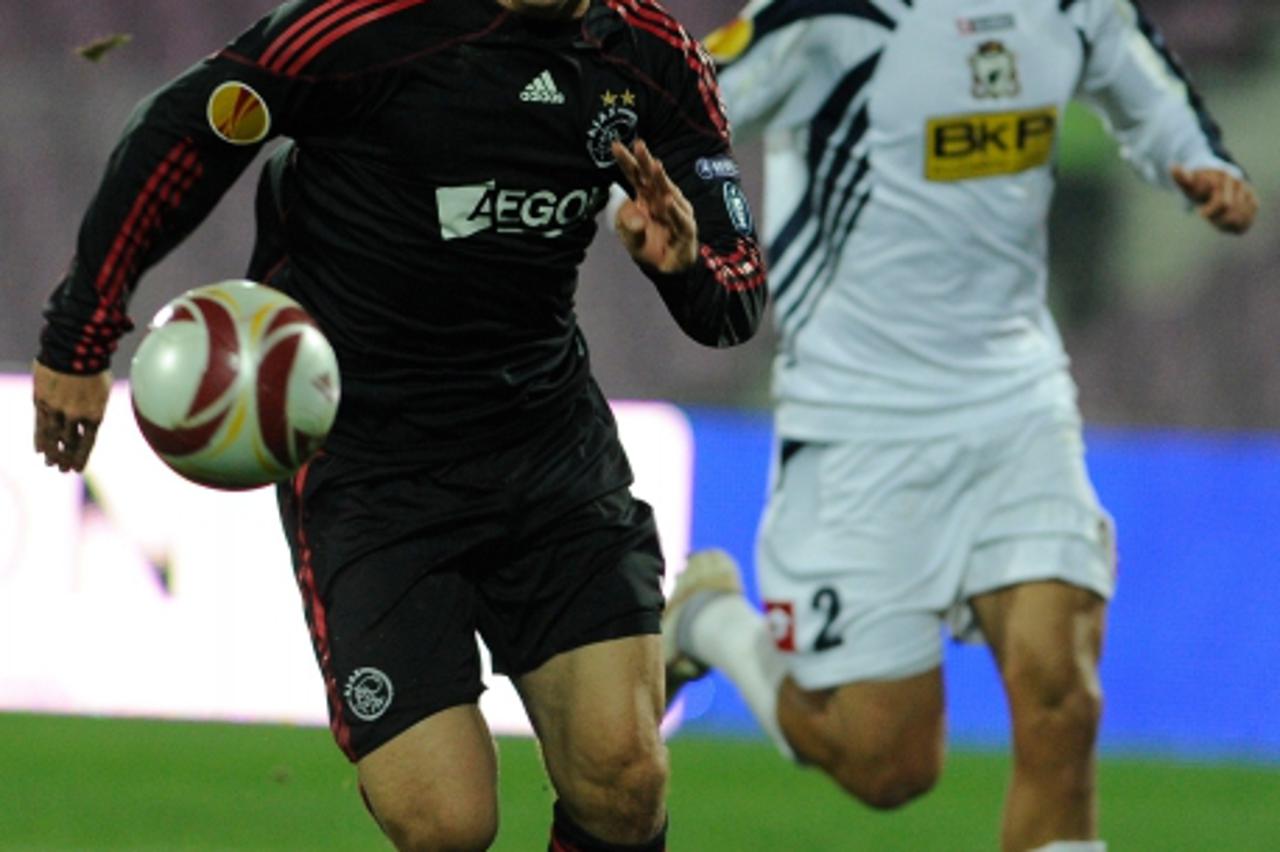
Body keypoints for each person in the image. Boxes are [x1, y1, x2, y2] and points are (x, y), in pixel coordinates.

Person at [31, 1, 767, 849]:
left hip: (545, 446)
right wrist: (81, 334)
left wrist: (684, 270)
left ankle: (631, 680)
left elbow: (732, 301)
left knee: (623, 783)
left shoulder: (652, 54)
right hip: (370, 467)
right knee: (446, 826)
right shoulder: (364, 26)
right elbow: (187, 127)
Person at [663, 1, 1257, 851]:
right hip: (859, 419)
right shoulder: (824, 17)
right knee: (887, 764)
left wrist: (1194, 160)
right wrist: (648, 200)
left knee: (1064, 698)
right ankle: (710, 621)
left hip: (1016, 402)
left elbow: (1140, 76)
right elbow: (682, 103)